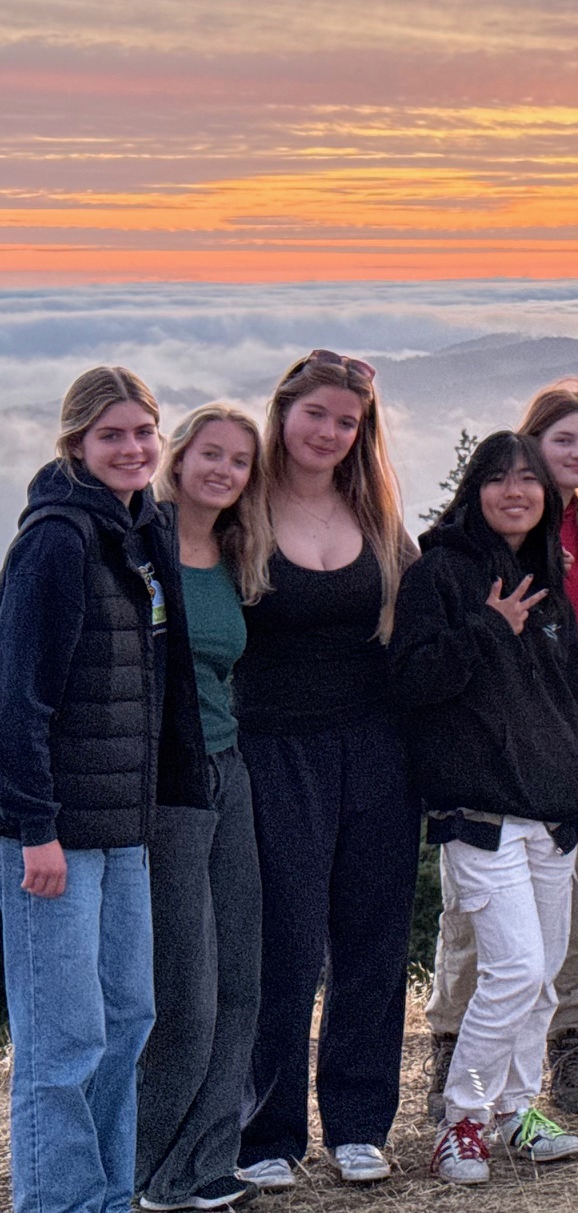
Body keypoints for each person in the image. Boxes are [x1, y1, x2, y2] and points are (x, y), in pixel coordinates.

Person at [0, 367, 207, 1213]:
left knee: (128, 1022)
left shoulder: (141, 532)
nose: (132, 449)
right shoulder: (56, 540)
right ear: (76, 443)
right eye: (112, 435)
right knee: (63, 1040)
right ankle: (61, 1202)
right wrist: (33, 827)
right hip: (52, 835)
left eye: (143, 433)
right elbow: (17, 699)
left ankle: (108, 1197)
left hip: (125, 828)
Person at [391, 432, 578, 1184]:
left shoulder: (545, 574)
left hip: (553, 811)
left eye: (529, 480)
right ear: (474, 489)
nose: (515, 492)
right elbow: (413, 684)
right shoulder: (439, 575)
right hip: (478, 813)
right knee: (515, 969)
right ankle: (462, 1118)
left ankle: (519, 1109)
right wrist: (488, 631)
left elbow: (567, 705)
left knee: (545, 971)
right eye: (498, 479)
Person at [236, 350, 420, 1190]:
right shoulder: (240, 506)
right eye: (316, 414)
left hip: (379, 750)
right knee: (286, 944)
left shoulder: (376, 513)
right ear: (283, 412)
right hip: (274, 750)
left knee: (372, 941)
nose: (329, 432)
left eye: (346, 421)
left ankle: (357, 1122)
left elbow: (421, 616)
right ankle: (266, 1133)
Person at [136, 405, 268, 1212]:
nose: (223, 470)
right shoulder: (136, 543)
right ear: (178, 459)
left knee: (242, 979)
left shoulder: (235, 554)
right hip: (165, 788)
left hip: (230, 773)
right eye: (210, 454)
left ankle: (208, 1162)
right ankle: (150, 1169)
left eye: (240, 461)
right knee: (185, 990)